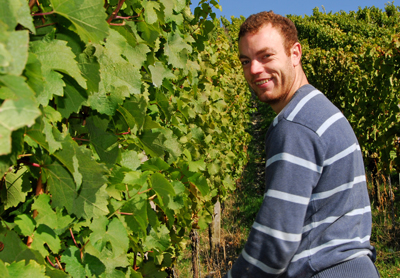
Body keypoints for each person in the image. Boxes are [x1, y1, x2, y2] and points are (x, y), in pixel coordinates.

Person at [225, 11, 380, 278]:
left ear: (295, 53)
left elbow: (275, 242)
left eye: (266, 56)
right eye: (245, 60)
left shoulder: (295, 125)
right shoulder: (321, 111)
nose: (253, 69)